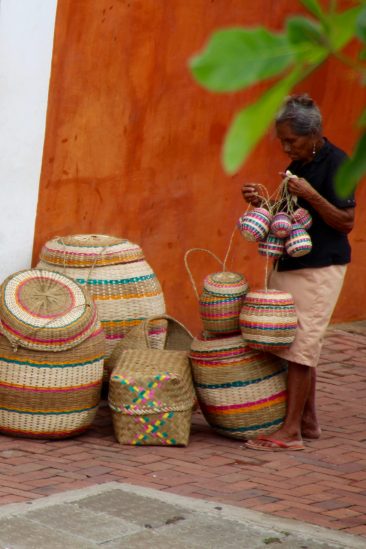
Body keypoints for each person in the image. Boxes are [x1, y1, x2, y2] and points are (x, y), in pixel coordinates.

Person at [241, 93, 355, 451]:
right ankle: (308, 420)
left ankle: (291, 433)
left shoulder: (337, 163)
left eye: (292, 140)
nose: (286, 147)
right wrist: (262, 204)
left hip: (320, 267)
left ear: (315, 133)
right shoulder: (302, 163)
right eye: (283, 141)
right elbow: (288, 217)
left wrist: (312, 194)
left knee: (302, 347)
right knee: (296, 343)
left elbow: (345, 221)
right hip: (292, 264)